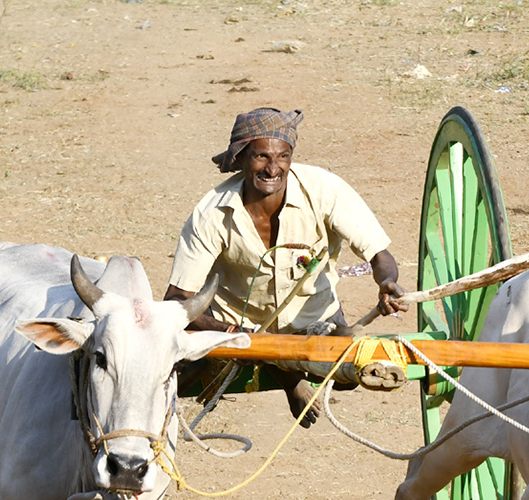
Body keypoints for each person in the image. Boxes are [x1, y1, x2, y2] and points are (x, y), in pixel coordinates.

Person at [165, 107, 409, 427]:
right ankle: (286, 374)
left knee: (349, 375)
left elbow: (379, 256)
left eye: (283, 156)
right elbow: (177, 300)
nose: (273, 168)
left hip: (314, 318)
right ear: (239, 159)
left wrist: (387, 282)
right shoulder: (211, 214)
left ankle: (285, 370)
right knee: (183, 373)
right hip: (239, 329)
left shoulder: (325, 189)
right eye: (261, 157)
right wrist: (231, 334)